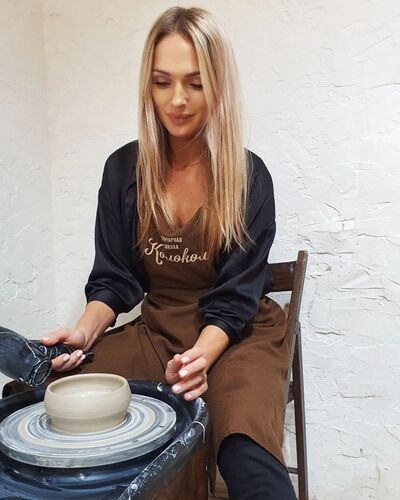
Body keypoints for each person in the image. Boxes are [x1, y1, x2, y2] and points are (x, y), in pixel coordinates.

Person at [30, 7, 295, 499]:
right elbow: (114, 279)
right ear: (147, 86)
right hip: (158, 331)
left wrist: (200, 359)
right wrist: (82, 333)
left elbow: (234, 300)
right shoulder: (123, 170)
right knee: (36, 401)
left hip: (237, 335)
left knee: (248, 457)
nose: (177, 100)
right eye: (162, 82)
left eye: (195, 83)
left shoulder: (249, 177)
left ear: (219, 87)